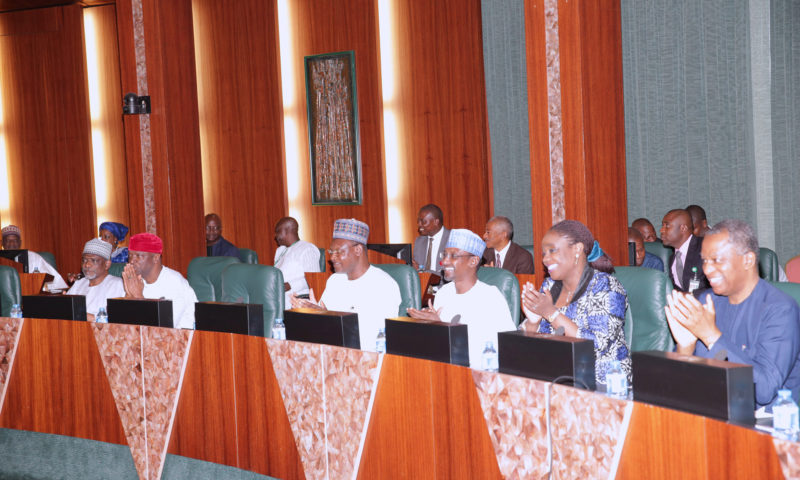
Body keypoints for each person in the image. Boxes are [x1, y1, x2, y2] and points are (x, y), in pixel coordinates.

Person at [665, 219, 800, 409]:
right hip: (712, 411)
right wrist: (685, 347)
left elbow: (764, 390)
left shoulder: (780, 310)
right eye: (704, 260)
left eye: (717, 260)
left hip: (764, 423)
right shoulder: (705, 301)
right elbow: (677, 384)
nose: (707, 270)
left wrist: (711, 336)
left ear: (748, 260)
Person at [520, 220, 631, 386]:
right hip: (558, 377)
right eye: (544, 253)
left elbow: (597, 345)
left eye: (552, 251)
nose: (545, 259)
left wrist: (551, 313)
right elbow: (531, 347)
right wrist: (532, 322)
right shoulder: (550, 285)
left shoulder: (606, 287)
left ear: (577, 249)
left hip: (603, 384)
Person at [407, 229, 515, 368]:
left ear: (474, 260)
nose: (445, 261)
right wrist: (427, 326)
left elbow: (506, 349)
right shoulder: (443, 293)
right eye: (444, 254)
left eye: (454, 256)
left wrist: (440, 326)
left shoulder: (490, 297)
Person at [291, 219, 401, 352]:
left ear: (358, 250)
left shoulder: (384, 285)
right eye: (331, 252)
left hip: (365, 360)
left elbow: (373, 340)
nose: (332, 257)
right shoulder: (335, 281)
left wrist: (325, 315)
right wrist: (311, 313)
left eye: (339, 252)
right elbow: (324, 323)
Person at [122, 233, 198, 329]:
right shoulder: (133, 280)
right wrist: (128, 296)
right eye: (130, 255)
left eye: (138, 256)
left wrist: (138, 298)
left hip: (181, 340)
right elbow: (124, 325)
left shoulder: (174, 283)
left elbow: (162, 330)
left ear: (155, 258)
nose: (132, 261)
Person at [66, 238, 125, 320]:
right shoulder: (79, 283)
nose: (87, 265)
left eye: (93, 261)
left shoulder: (117, 284)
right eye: (84, 260)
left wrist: (81, 315)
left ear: (107, 264)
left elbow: (112, 320)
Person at [1, 224, 67, 290]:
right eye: (8, 241)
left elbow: (57, 281)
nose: (11, 244)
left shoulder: (34, 258)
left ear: (20, 243)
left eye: (15, 241)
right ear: (2, 243)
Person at [661, 209, 710, 293]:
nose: (661, 230)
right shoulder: (672, 258)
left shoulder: (705, 247)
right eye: (662, 226)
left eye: (667, 226)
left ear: (683, 228)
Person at [273, 217, 321, 304]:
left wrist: (290, 285)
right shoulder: (280, 250)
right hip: (278, 298)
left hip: (298, 299)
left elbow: (313, 281)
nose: (275, 236)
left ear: (287, 230)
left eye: (278, 231)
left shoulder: (307, 249)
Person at [412, 204, 450, 273]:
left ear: (436, 222)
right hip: (422, 283)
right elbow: (417, 269)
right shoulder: (419, 241)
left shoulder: (452, 239)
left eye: (423, 222)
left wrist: (423, 272)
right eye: (418, 221)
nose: (419, 225)